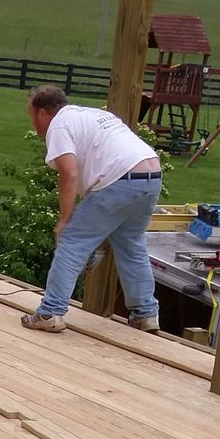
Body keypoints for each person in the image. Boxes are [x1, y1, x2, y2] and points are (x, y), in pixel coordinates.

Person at [20, 84, 164, 334]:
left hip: (120, 178)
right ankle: (145, 315)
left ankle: (50, 313)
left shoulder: (60, 125)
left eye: (32, 116)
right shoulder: (91, 115)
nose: (34, 124)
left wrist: (65, 220)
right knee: (131, 244)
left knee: (72, 241)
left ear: (42, 112)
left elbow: (69, 173)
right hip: (151, 175)